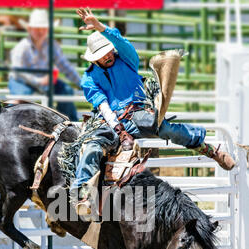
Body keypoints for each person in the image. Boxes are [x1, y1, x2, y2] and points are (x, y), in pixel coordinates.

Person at [71, 7, 235, 215]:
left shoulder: (127, 59)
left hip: (139, 112)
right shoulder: (89, 78)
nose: (108, 56)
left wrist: (101, 27)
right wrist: (119, 129)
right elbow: (101, 104)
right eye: (102, 55)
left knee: (165, 129)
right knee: (92, 146)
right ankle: (82, 193)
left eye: (108, 51)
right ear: (93, 59)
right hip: (110, 120)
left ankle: (211, 149)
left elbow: (122, 43)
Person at [8, 9, 81, 121]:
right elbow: (19, 73)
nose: (41, 31)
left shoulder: (52, 45)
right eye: (37, 28)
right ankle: (13, 123)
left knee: (66, 90)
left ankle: (68, 123)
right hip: (21, 81)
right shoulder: (22, 47)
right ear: (30, 29)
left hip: (44, 80)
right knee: (23, 96)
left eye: (44, 28)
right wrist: (39, 81)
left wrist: (81, 83)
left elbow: (65, 66)